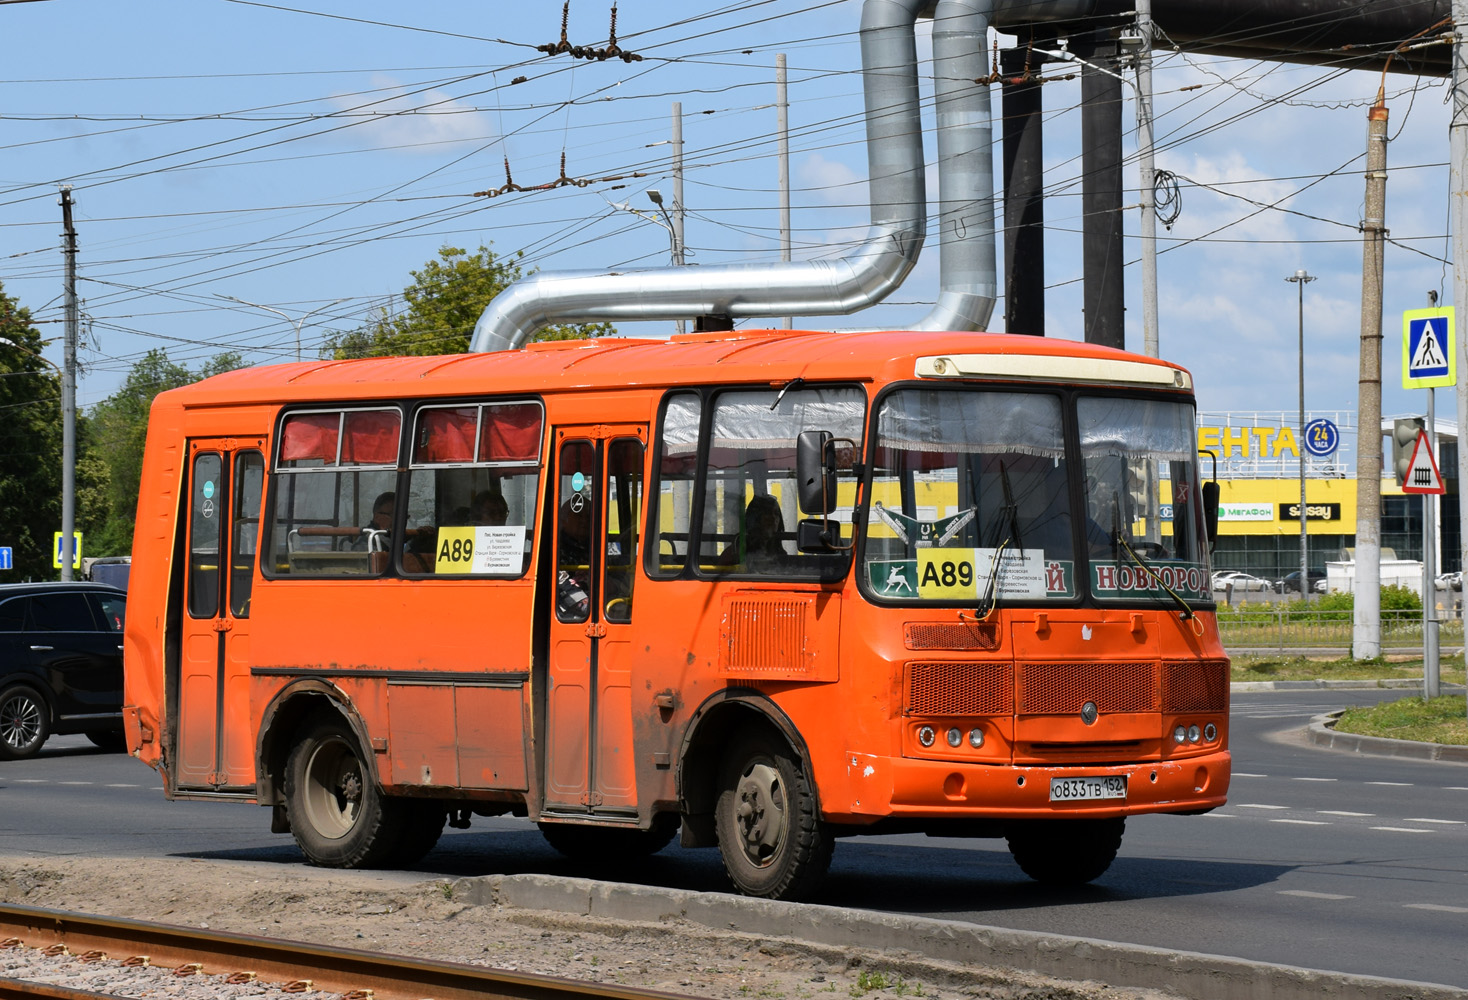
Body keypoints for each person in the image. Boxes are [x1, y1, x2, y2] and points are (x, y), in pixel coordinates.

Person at [720, 494, 785, 571]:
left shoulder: (778, 552)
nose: (774, 518)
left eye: (776, 514)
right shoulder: (735, 553)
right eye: (767, 513)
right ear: (755, 519)